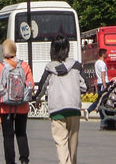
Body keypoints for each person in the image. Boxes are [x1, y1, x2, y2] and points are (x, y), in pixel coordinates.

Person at [33, 35, 86, 164]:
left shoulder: (49, 68)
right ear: (67, 48)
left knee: (61, 142)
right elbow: (85, 86)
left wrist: (37, 99)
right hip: (73, 108)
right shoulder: (76, 66)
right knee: (73, 143)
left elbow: (41, 87)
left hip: (57, 109)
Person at [0, 39, 33, 164]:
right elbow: (30, 84)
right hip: (22, 107)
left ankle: (10, 161)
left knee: (8, 136)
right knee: (21, 133)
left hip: (5, 107)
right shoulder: (24, 65)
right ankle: (24, 159)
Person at [85, 48, 108, 114]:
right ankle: (89, 109)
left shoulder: (97, 62)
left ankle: (96, 110)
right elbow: (103, 76)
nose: (107, 55)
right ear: (103, 54)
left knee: (100, 99)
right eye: (106, 53)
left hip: (99, 83)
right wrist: (105, 86)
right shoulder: (102, 64)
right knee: (101, 99)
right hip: (103, 83)